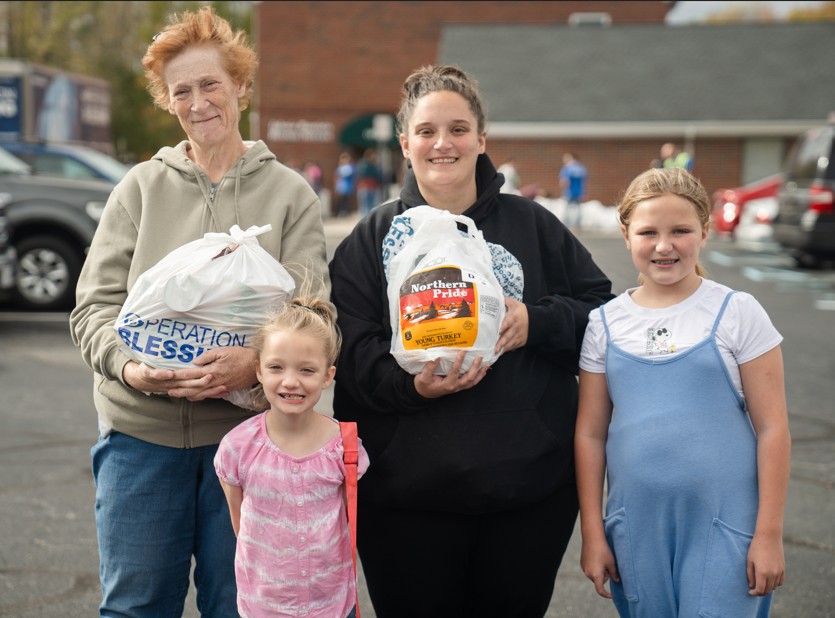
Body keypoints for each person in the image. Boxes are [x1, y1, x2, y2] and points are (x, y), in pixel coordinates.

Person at [69, 6, 331, 616]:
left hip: (252, 441)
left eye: (210, 83)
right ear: (168, 102)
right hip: (139, 439)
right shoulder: (139, 188)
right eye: (180, 91)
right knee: (136, 607)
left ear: (241, 85)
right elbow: (93, 310)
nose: (198, 102)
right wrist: (131, 369)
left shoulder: (289, 195)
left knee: (243, 605)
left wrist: (252, 366)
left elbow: (315, 315)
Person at [329, 64, 614, 617]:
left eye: (459, 129)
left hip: (527, 497)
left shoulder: (534, 226)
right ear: (405, 141)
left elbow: (604, 318)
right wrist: (414, 388)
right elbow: (350, 355)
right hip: (405, 500)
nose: (444, 143)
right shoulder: (372, 239)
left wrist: (536, 322)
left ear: (482, 140)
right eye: (428, 130)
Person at [575, 167, 791, 617]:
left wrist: (768, 535)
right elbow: (591, 435)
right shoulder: (605, 324)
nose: (664, 245)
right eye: (648, 231)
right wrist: (594, 536)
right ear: (626, 234)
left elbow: (773, 429)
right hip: (636, 528)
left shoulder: (737, 312)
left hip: (725, 524)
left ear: (705, 232)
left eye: (681, 231)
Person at [214, 295, 370, 618]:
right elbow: (241, 526)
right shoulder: (237, 448)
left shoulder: (345, 447)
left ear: (327, 376)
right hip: (264, 607)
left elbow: (344, 522)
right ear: (258, 369)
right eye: (276, 367)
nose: (290, 381)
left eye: (307, 370)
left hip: (331, 606)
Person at [559, 152, 587, 229]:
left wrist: (562, 188)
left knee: (566, 209)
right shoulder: (581, 168)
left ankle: (565, 225)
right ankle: (577, 225)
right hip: (579, 192)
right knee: (578, 209)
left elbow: (564, 181)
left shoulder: (567, 168)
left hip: (569, 192)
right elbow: (584, 180)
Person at [356, 148, 384, 216]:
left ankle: (368, 218)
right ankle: (365, 219)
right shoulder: (366, 165)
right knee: (366, 205)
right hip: (366, 187)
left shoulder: (365, 164)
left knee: (370, 205)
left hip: (372, 187)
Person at [333, 151, 356, 217]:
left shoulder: (351, 167)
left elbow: (353, 176)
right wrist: (336, 187)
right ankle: (341, 212)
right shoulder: (339, 168)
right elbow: (336, 177)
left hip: (348, 186)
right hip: (340, 187)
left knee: (347, 201)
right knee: (341, 201)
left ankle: (347, 212)